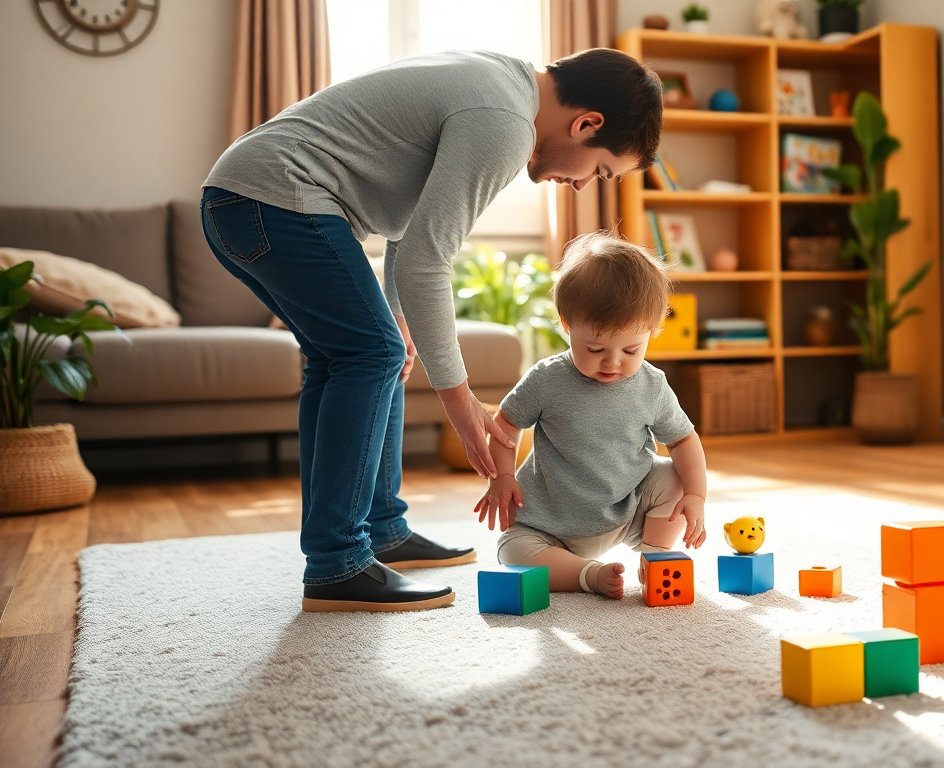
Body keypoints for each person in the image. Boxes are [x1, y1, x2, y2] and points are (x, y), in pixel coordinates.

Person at [198, 48, 663, 612]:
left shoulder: (502, 81)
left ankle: (380, 529)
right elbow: (429, 257)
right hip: (274, 197)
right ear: (587, 123)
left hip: (242, 199)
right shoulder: (505, 123)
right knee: (369, 355)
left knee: (363, 355)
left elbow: (409, 229)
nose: (584, 185)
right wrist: (461, 403)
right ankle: (337, 563)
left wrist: (396, 313)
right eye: (600, 169)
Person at [474, 232, 708, 600]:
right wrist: (502, 476)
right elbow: (505, 424)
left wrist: (696, 495)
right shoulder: (546, 379)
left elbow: (683, 440)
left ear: (651, 330)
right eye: (596, 348)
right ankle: (588, 575)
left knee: (674, 475)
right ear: (567, 325)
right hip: (550, 524)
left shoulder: (652, 384)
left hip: (627, 513)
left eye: (631, 349)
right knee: (512, 552)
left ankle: (656, 557)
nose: (613, 362)